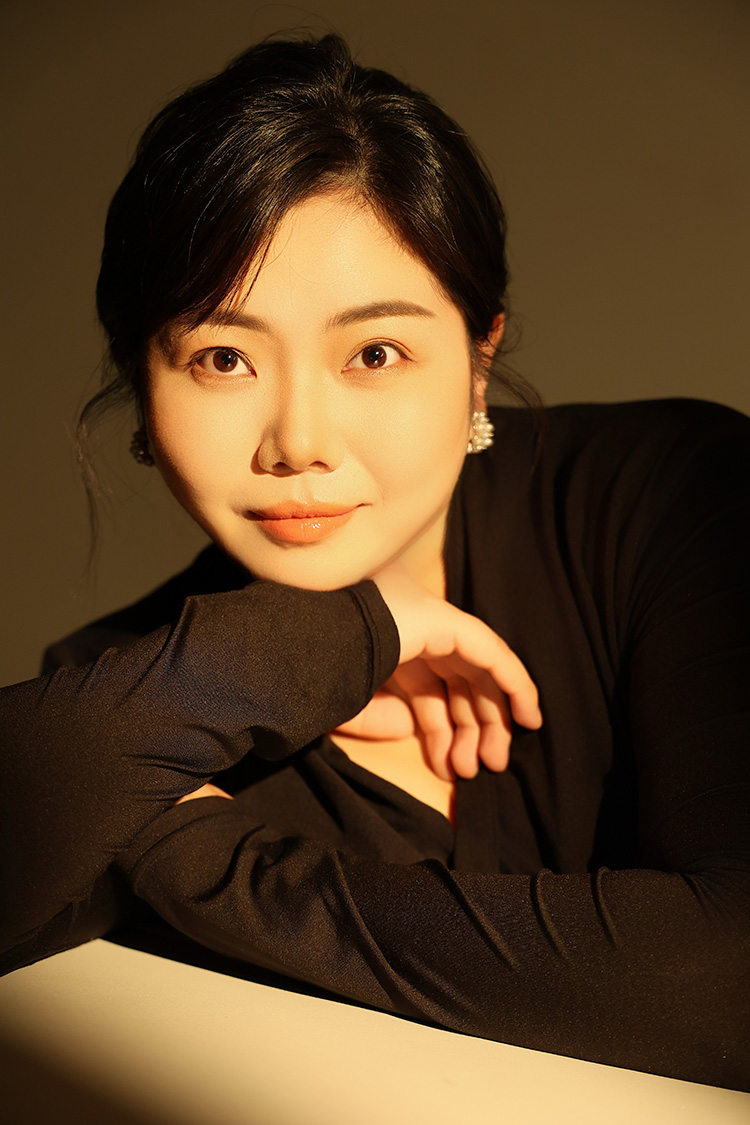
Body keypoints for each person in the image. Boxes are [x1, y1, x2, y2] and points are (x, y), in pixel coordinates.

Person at [1, 34, 749, 1090]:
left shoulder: (666, 492)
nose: (299, 442)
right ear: (144, 388)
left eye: (375, 353)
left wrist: (210, 863)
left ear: (478, 360)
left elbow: (726, 983)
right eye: (223, 357)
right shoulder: (136, 692)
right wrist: (337, 635)